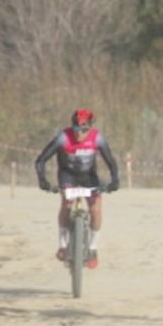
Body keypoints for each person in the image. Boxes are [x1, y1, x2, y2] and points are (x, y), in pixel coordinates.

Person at [35, 109, 119, 268]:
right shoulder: (63, 137)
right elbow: (41, 160)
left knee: (95, 209)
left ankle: (93, 248)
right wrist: (43, 180)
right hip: (68, 175)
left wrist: (115, 180)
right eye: (76, 129)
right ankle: (62, 245)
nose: (79, 134)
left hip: (88, 176)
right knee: (67, 204)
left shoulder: (97, 138)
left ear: (90, 127)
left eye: (84, 130)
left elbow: (111, 161)